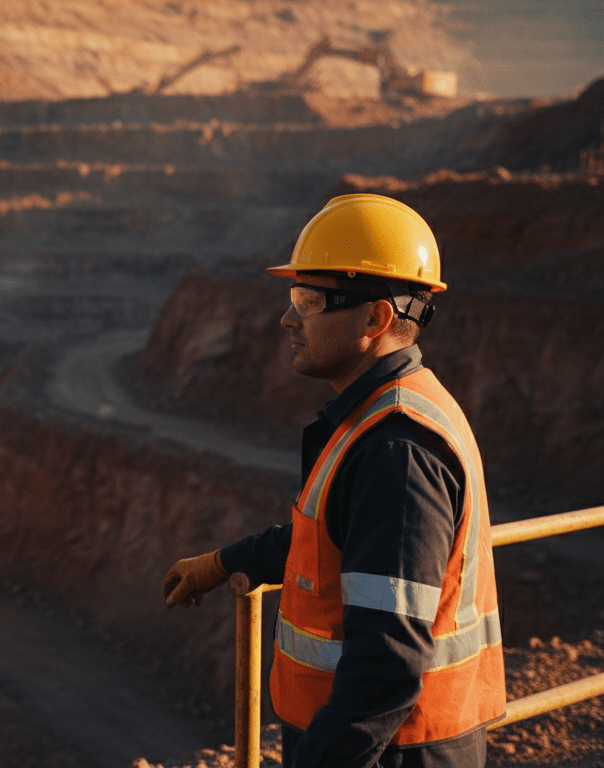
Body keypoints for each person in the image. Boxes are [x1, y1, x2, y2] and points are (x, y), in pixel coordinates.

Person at [162, 194, 505, 768]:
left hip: (393, 752)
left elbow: (387, 661)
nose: (288, 317)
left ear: (376, 318)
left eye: (309, 299)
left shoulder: (396, 447)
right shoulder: (382, 415)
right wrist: (225, 562)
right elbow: (332, 543)